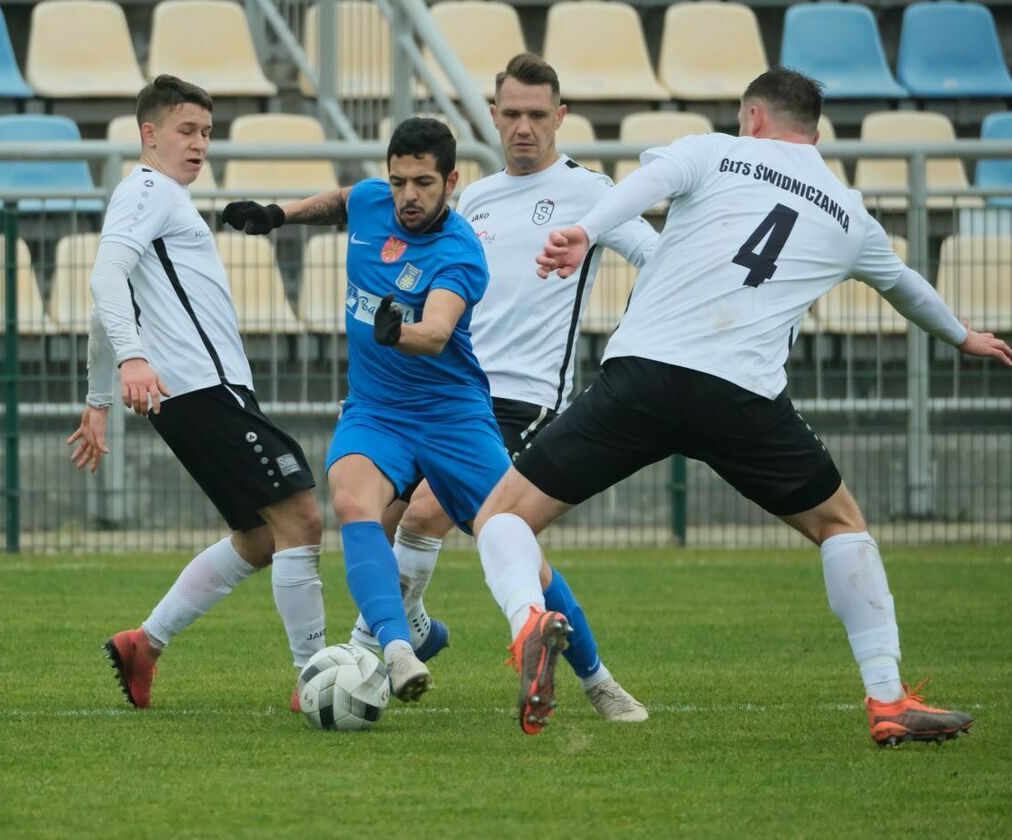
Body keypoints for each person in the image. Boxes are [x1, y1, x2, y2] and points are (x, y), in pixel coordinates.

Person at [480, 67, 1012, 744]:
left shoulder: (710, 149)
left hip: (644, 377)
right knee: (841, 523)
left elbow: (645, 186)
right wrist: (964, 336)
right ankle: (886, 698)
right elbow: (907, 287)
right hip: (742, 395)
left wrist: (585, 231)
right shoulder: (847, 212)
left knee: (506, 516)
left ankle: (529, 620)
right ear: (813, 132)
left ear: (752, 116)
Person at [222, 118, 619, 736]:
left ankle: (597, 679)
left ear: (451, 182)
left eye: (424, 183)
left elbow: (435, 333)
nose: (408, 194)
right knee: (353, 501)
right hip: (376, 412)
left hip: (452, 417)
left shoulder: (459, 250)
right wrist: (278, 214)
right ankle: (398, 647)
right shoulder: (376, 199)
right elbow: (343, 201)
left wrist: (396, 333)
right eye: (400, 179)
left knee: (512, 541)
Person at [348, 54, 654, 723]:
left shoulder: (592, 192)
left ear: (560, 118)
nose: (523, 127)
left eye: (537, 115)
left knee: (435, 514)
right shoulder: (474, 200)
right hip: (449, 392)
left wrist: (636, 342)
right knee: (396, 515)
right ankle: (586, 675)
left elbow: (655, 260)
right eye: (511, 113)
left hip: (526, 395)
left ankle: (364, 663)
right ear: (492, 116)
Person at [69, 75, 327, 712]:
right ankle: (315, 678)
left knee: (262, 538)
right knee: (302, 520)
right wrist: (131, 361)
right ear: (148, 134)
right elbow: (105, 276)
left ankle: (143, 646)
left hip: (202, 392)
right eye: (187, 131)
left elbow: (108, 305)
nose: (200, 144)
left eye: (207, 133)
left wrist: (99, 400)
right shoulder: (151, 189)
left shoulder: (157, 196)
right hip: (200, 390)